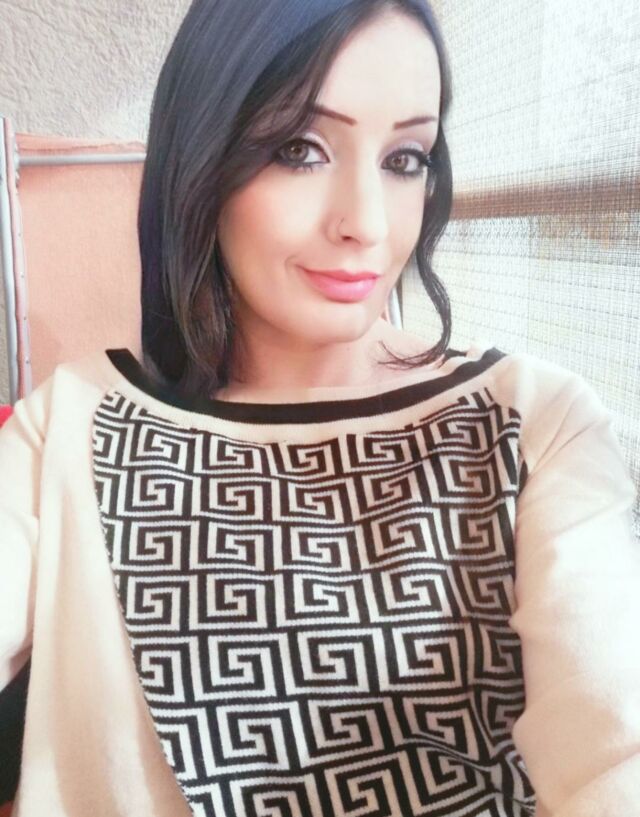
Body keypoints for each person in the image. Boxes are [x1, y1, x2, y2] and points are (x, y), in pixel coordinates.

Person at [1, 0, 639, 815]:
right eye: (299, 149)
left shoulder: (532, 420)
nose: (366, 224)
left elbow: (613, 736)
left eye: (405, 158)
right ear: (202, 159)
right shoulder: (75, 420)